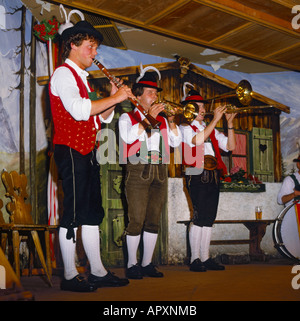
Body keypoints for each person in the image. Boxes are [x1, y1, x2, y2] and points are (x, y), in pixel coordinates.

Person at [49, 20, 134, 292]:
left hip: (87, 151)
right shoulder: (63, 74)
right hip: (70, 150)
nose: (94, 53)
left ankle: (97, 271)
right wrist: (116, 97)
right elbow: (78, 110)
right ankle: (70, 276)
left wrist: (113, 97)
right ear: (72, 45)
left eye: (95, 48)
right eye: (90, 47)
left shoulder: (81, 80)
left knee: (92, 214)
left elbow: (98, 119)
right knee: (73, 214)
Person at [118, 68, 182, 279]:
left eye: (156, 93)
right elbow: (127, 140)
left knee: (153, 219)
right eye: (150, 93)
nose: (155, 97)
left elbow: (175, 142)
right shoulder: (127, 117)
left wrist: (171, 120)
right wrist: (147, 120)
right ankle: (132, 264)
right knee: (136, 219)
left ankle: (147, 263)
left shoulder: (163, 120)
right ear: (137, 95)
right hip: (138, 168)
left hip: (160, 170)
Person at [180, 88, 236, 272]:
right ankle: (195, 258)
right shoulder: (185, 127)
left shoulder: (209, 128)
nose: (203, 109)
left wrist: (229, 123)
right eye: (199, 106)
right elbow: (196, 141)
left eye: (204, 105)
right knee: (198, 216)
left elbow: (230, 146)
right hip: (196, 172)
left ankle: (205, 257)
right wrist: (214, 121)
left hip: (213, 174)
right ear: (190, 108)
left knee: (209, 217)